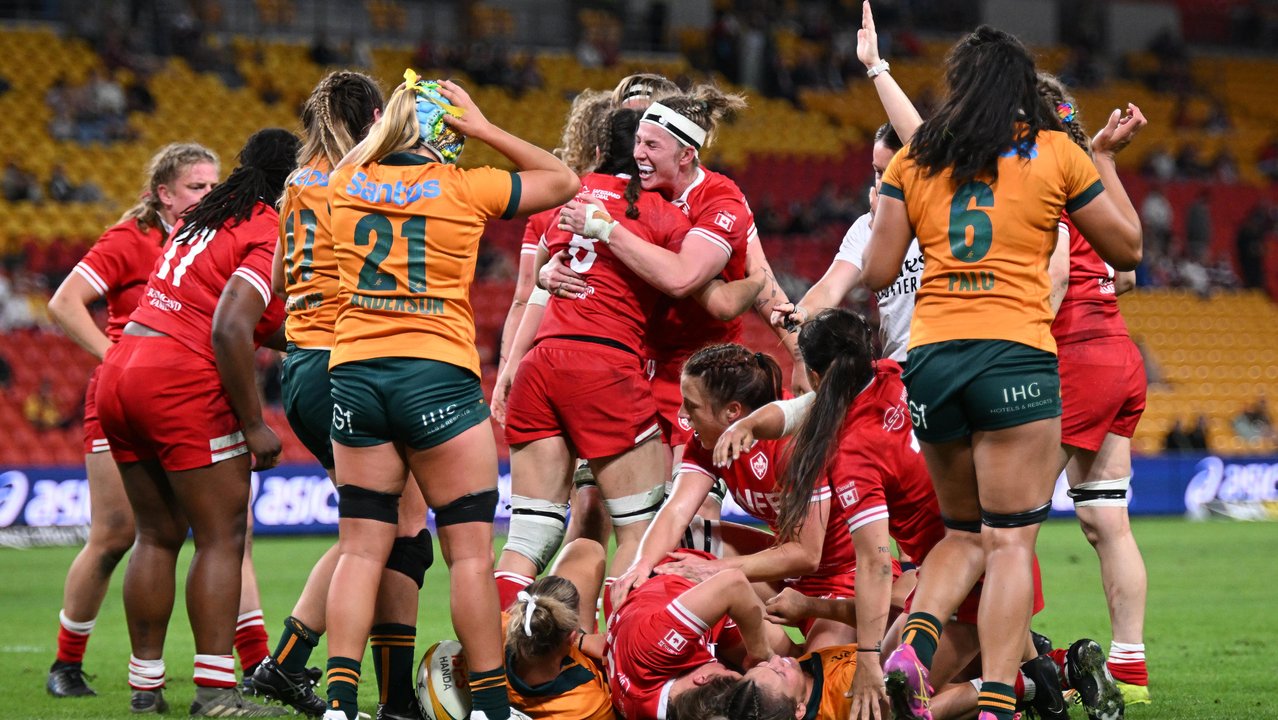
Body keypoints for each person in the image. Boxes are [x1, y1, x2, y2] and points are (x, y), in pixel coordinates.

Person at [862, 25, 1143, 720]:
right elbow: (1127, 249)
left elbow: (875, 271)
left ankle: (911, 648)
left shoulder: (917, 157)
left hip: (930, 361)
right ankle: (993, 701)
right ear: (1023, 90)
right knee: (1011, 543)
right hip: (1015, 354)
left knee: (961, 534)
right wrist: (1098, 163)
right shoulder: (1054, 152)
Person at [321, 71, 577, 720]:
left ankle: (339, 703)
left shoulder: (346, 184)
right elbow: (561, 179)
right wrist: (484, 125)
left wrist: (396, 118)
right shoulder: (468, 187)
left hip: (355, 376)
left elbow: (355, 157)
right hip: (436, 375)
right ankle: (491, 707)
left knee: (358, 548)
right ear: (449, 134)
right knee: (468, 552)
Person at [96, 127, 298, 717]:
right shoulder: (267, 226)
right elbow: (229, 328)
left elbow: (225, 310)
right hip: (180, 379)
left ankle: (145, 686)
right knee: (222, 536)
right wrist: (254, 423)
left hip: (123, 366)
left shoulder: (207, 217)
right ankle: (213, 693)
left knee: (156, 535)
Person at [250, 71, 431, 720]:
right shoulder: (362, 183)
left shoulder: (298, 185)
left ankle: (289, 662)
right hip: (348, 362)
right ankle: (397, 701)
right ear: (377, 115)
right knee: (403, 533)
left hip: (302, 367)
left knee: (371, 531)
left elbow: (278, 277)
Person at [44, 142, 219, 699]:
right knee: (117, 534)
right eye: (197, 187)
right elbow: (65, 302)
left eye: (215, 187)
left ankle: (254, 660)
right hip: (126, 398)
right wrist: (115, 356)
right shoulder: (129, 239)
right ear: (163, 194)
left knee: (216, 535)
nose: (208, 197)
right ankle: (66, 664)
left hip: (186, 398)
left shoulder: (209, 242)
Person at [553, 85, 807, 468]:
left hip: (704, 375)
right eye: (637, 142)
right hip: (635, 365)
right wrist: (548, 270)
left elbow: (716, 281)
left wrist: (800, 353)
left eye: (652, 146)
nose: (638, 154)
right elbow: (562, 248)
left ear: (687, 154)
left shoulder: (721, 199)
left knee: (692, 504)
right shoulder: (629, 189)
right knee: (604, 502)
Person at [612, 343, 859, 653]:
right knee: (686, 540)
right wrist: (641, 564)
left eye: (692, 406)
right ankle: (752, 650)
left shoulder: (792, 442)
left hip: (841, 575)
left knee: (823, 680)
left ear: (733, 412)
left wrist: (715, 571)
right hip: (788, 570)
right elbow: (676, 511)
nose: (682, 416)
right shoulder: (706, 442)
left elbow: (807, 554)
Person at [1040, 72, 1151, 711]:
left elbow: (1054, 276)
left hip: (1076, 357)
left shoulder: (1046, 182)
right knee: (1105, 517)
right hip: (1118, 353)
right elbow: (1129, 274)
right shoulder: (1089, 181)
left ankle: (1006, 666)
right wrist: (1105, 158)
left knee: (1005, 521)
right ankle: (1130, 668)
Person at [771, 0, 924, 363]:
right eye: (876, 170)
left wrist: (875, 66)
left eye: (891, 171)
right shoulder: (866, 227)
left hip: (947, 359)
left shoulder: (943, 210)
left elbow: (921, 142)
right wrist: (803, 312)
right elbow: (831, 286)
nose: (881, 181)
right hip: (898, 369)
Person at [605, 552, 780, 720]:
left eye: (727, 670)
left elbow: (734, 582)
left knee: (773, 659)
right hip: (692, 625)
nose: (722, 665)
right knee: (782, 667)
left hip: (679, 570)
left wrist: (761, 653)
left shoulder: (655, 649)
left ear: (701, 679)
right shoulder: (665, 710)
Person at [503, 539, 612, 719]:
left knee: (585, 550)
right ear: (571, 637)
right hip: (597, 680)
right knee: (588, 550)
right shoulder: (589, 704)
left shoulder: (495, 631)